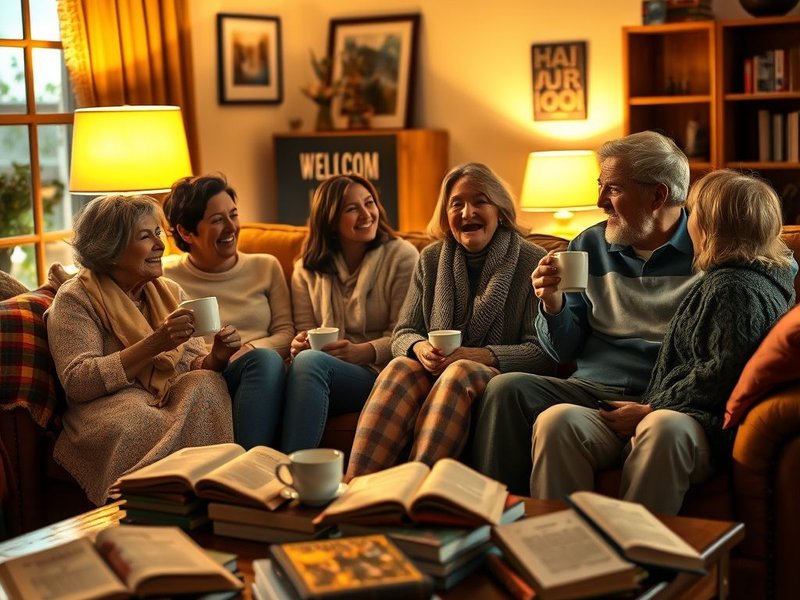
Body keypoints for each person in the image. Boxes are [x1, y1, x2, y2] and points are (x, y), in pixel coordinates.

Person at [530, 170, 795, 514]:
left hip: (699, 425)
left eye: (694, 213)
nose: (689, 223)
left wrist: (653, 409)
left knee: (662, 426)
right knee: (559, 421)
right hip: (660, 409)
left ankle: (639, 559)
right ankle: (560, 545)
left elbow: (720, 374)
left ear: (716, 225)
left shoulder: (737, 290)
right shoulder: (722, 279)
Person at [472, 130, 699, 495]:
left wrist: (658, 404)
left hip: (666, 396)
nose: (599, 201)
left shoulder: (708, 249)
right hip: (591, 391)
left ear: (658, 195)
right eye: (600, 186)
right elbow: (562, 351)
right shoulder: (589, 244)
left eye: (613, 189)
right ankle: (497, 517)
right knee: (505, 388)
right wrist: (552, 303)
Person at [345, 163, 556, 479]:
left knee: (459, 369)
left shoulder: (532, 259)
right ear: (446, 214)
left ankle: (417, 485)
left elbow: (542, 352)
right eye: (457, 203)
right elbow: (404, 332)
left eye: (480, 201)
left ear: (500, 209)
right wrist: (419, 348)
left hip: (494, 379)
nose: (467, 212)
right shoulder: (430, 259)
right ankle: (354, 488)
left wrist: (478, 355)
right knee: (401, 366)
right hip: (435, 370)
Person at [47, 195, 238, 505]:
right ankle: (143, 502)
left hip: (166, 395)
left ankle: (207, 497)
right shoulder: (75, 299)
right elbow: (79, 381)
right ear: (111, 249)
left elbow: (192, 364)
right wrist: (155, 343)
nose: (160, 244)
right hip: (108, 406)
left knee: (207, 384)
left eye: (158, 233)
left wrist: (216, 356)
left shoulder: (170, 292)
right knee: (139, 420)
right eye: (145, 236)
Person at [282, 174, 418, 453]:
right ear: (330, 219)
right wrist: (299, 344)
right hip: (326, 368)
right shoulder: (306, 269)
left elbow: (407, 333)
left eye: (370, 203)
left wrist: (363, 351)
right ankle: (256, 467)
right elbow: (305, 330)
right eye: (352, 208)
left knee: (309, 364)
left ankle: (294, 470)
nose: (367, 214)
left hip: (378, 371)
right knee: (292, 365)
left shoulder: (402, 256)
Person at [163, 174, 292, 449]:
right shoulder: (165, 277)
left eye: (233, 215)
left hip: (261, 371)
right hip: (204, 374)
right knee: (263, 361)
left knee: (265, 360)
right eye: (217, 220)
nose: (231, 226)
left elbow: (286, 333)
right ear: (186, 232)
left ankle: (244, 468)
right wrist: (215, 357)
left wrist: (250, 348)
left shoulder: (266, 266)